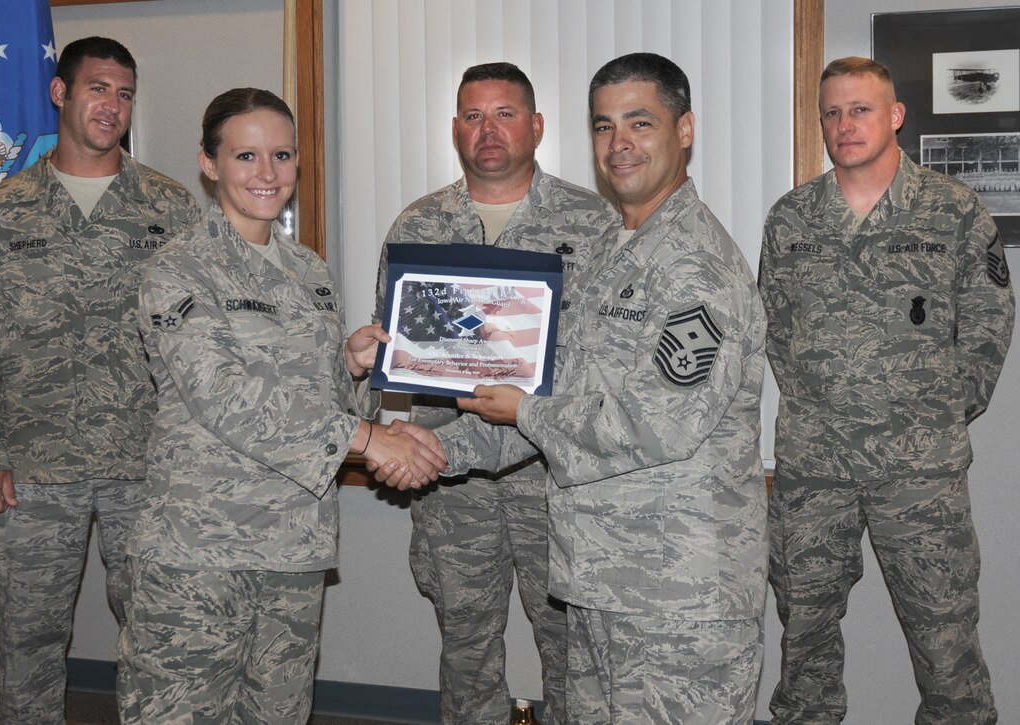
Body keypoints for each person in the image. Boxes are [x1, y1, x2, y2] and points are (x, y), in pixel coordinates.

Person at [384, 52, 769, 724]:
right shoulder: (620, 250)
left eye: (640, 123)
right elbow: (554, 387)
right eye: (604, 126)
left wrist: (525, 411)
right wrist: (435, 447)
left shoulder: (695, 266)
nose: (619, 144)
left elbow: (651, 425)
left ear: (685, 131)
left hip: (673, 592)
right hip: (602, 577)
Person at [116, 87, 444, 725]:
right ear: (209, 164)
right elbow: (223, 395)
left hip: (293, 544)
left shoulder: (309, 271)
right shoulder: (180, 269)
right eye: (246, 156)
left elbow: (306, 396)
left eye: (282, 155)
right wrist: (371, 438)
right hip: (201, 550)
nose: (268, 174)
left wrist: (346, 365)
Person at [0, 37, 201, 723]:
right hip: (30, 468)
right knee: (25, 649)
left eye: (123, 93)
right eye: (97, 88)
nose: (111, 105)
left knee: (162, 644)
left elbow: (202, 344)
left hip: (146, 467)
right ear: (60, 93)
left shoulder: (172, 210)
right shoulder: (1, 213)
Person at [759, 56, 1014, 725]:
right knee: (805, 645)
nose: (845, 124)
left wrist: (934, 411)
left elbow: (990, 322)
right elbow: (777, 330)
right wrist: (828, 403)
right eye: (833, 112)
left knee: (947, 648)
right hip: (815, 472)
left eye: (861, 109)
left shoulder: (954, 211)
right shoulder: (790, 218)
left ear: (895, 115)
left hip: (920, 474)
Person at [374, 62, 616, 725]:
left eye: (505, 114)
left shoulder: (593, 222)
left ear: (535, 126)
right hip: (453, 482)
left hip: (556, 476)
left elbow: (605, 362)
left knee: (571, 647)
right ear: (455, 129)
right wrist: (385, 431)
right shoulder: (416, 226)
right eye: (474, 116)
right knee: (466, 643)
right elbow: (394, 366)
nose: (489, 130)